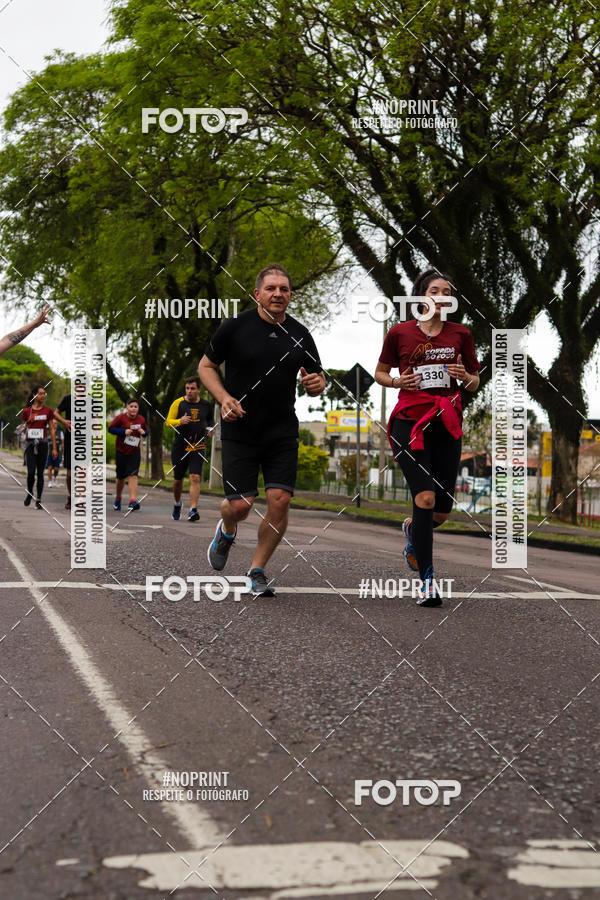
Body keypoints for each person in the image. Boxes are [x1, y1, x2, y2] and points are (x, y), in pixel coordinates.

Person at [198, 263, 325, 597]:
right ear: (257, 294)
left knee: (279, 500)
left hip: (281, 431)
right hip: (240, 427)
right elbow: (206, 366)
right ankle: (226, 531)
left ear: (290, 295)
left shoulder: (300, 333)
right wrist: (223, 397)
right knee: (240, 506)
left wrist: (316, 384)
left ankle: (256, 570)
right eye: (271, 288)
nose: (278, 294)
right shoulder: (235, 327)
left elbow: (317, 377)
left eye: (284, 289)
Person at [375, 268, 480, 607]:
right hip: (410, 423)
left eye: (446, 292)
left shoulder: (461, 334)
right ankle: (427, 583)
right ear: (422, 296)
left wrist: (465, 376)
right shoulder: (400, 333)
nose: (441, 296)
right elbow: (380, 372)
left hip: (445, 423)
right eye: (434, 290)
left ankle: (412, 532)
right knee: (425, 498)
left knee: (441, 511)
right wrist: (396, 382)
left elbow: (474, 381)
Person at [166, 376, 215, 521]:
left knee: (195, 477)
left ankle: (193, 509)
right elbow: (168, 422)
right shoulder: (178, 403)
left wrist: (211, 428)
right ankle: (177, 503)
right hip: (181, 446)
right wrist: (179, 421)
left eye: (192, 388)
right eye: (187, 388)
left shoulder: (206, 405)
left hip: (198, 445)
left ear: (199, 390)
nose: (189, 391)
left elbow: (211, 420)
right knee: (178, 480)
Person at [108, 399, 148, 511]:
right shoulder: (120, 418)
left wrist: (143, 432)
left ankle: (132, 501)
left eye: (136, 406)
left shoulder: (141, 419)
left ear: (138, 408)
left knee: (133, 475)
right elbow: (110, 428)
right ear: (127, 407)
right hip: (121, 451)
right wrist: (123, 432)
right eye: (131, 406)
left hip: (134, 451)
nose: (133, 408)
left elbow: (146, 432)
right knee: (120, 477)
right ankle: (118, 498)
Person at [21, 385, 57, 509]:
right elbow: (23, 428)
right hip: (30, 445)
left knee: (40, 473)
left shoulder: (48, 411)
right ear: (34, 395)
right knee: (31, 473)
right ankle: (30, 493)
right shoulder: (27, 411)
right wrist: (20, 429)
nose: (43, 396)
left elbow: (51, 429)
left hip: (43, 445)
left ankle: (38, 499)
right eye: (41, 393)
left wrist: (54, 448)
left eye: (44, 394)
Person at [53, 394, 72, 509]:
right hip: (70, 438)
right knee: (70, 475)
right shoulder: (67, 399)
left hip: (85, 440)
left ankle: (80, 499)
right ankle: (71, 496)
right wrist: (64, 421)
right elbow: (55, 413)